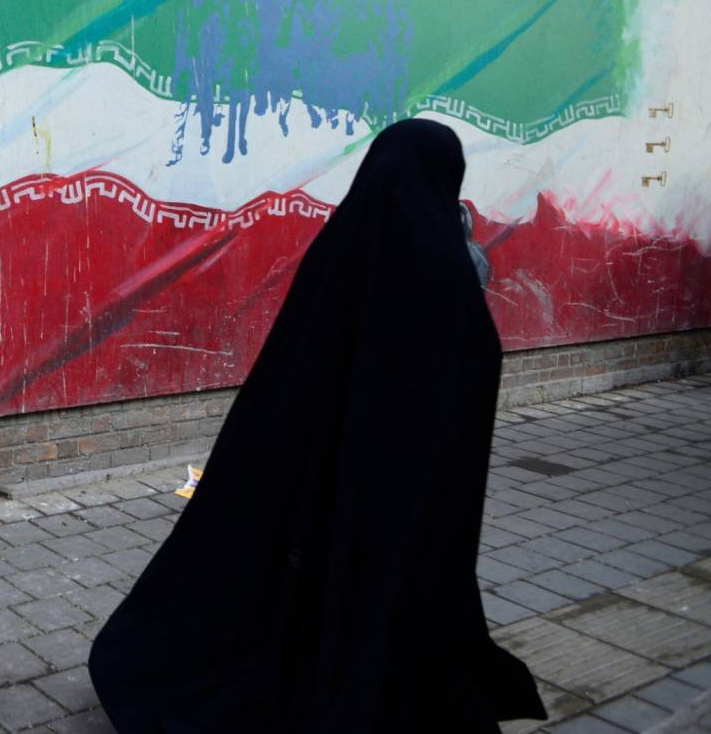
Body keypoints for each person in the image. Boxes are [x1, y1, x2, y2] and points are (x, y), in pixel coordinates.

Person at [88, 118, 546, 733]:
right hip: (402, 503)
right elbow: (472, 370)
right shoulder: (445, 273)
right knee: (381, 614)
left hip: (315, 487)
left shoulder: (342, 247)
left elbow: (291, 369)